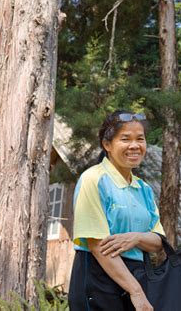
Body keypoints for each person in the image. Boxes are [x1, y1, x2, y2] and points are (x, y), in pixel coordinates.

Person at [68, 110, 164, 311]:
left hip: (137, 276)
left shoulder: (144, 189)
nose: (135, 146)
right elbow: (98, 246)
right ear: (107, 145)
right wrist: (136, 292)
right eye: (125, 139)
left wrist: (136, 238)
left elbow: (158, 242)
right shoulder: (93, 179)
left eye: (140, 139)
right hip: (99, 277)